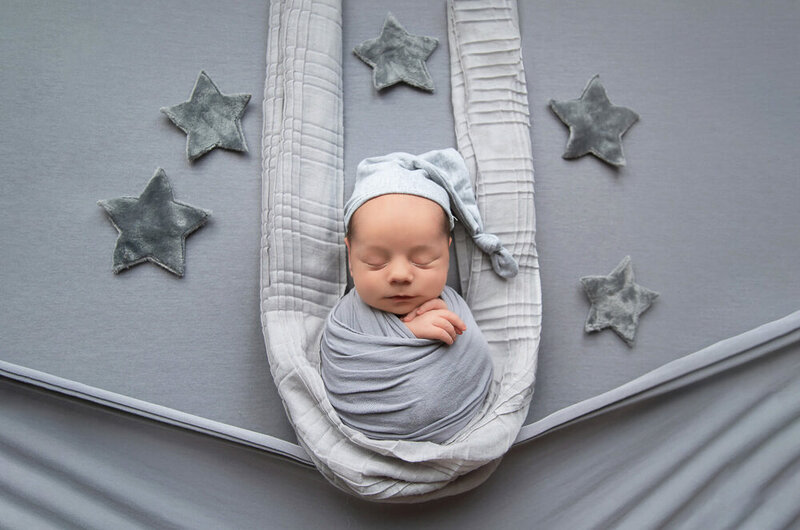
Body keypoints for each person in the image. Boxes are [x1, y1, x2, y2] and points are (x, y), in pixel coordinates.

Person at [320, 148, 517, 443]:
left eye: (423, 260)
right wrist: (411, 333)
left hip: (462, 434)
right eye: (375, 261)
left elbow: (474, 360)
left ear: (447, 252)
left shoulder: (454, 307)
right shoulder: (345, 321)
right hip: (365, 441)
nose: (400, 275)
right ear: (350, 255)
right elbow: (343, 368)